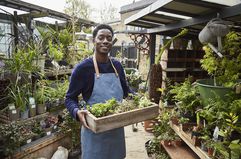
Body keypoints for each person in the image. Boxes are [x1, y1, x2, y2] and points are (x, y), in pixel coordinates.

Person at [65, 24, 131, 159]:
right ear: (94, 40)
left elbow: (126, 92)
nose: (105, 41)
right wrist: (77, 112)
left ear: (112, 42)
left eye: (109, 38)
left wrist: (142, 101)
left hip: (116, 131)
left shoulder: (117, 66)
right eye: (101, 37)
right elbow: (69, 98)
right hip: (94, 132)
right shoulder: (83, 68)